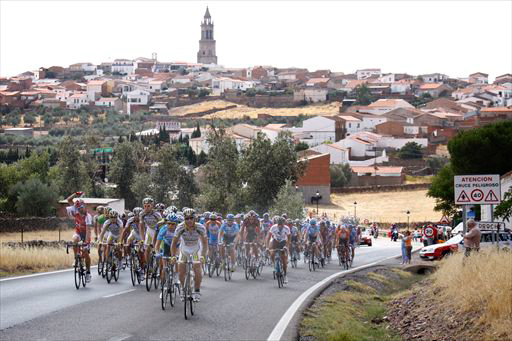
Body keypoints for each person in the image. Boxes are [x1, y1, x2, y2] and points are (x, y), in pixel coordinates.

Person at [170, 208, 207, 302]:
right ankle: (183, 289)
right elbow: (174, 243)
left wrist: (203, 256)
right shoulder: (180, 227)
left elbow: (205, 243)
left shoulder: (200, 227)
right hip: (184, 249)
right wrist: (173, 256)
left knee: (197, 267)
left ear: (195, 218)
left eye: (191, 218)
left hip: (196, 249)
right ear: (184, 219)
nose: (189, 220)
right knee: (181, 269)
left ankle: (197, 290)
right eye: (187, 218)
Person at [66, 192, 93, 283]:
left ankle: (88, 272)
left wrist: (86, 242)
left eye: (83, 207)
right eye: (80, 208)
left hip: (86, 234)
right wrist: (75, 194)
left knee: (85, 253)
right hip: (78, 232)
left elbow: (88, 230)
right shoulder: (75, 211)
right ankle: (75, 259)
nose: (82, 209)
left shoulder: (88, 216)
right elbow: (69, 200)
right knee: (74, 240)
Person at [138, 197, 162, 271]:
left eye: (148, 206)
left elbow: (162, 226)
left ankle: (158, 265)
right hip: (150, 230)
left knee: (157, 248)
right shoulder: (142, 214)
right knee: (147, 248)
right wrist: (142, 239)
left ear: (152, 206)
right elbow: (141, 227)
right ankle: (149, 266)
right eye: (145, 206)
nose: (146, 208)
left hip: (158, 230)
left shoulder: (157, 214)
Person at [155, 213, 179, 285]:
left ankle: (176, 277)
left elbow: (181, 244)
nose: (170, 226)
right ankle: (163, 286)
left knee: (176, 260)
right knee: (164, 267)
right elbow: (157, 244)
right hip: (166, 245)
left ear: (176, 224)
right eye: (169, 223)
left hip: (177, 246)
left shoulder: (178, 230)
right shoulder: (163, 229)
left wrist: (177, 255)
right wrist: (157, 253)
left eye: (173, 224)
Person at [266, 216, 291, 284]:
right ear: (277, 223)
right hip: (275, 241)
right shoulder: (273, 227)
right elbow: (268, 237)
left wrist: (286, 246)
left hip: (283, 242)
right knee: (272, 253)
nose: (280, 226)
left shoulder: (287, 228)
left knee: (284, 260)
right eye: (279, 224)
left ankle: (285, 275)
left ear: (284, 224)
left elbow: (289, 239)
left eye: (281, 224)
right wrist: (267, 247)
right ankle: (275, 265)